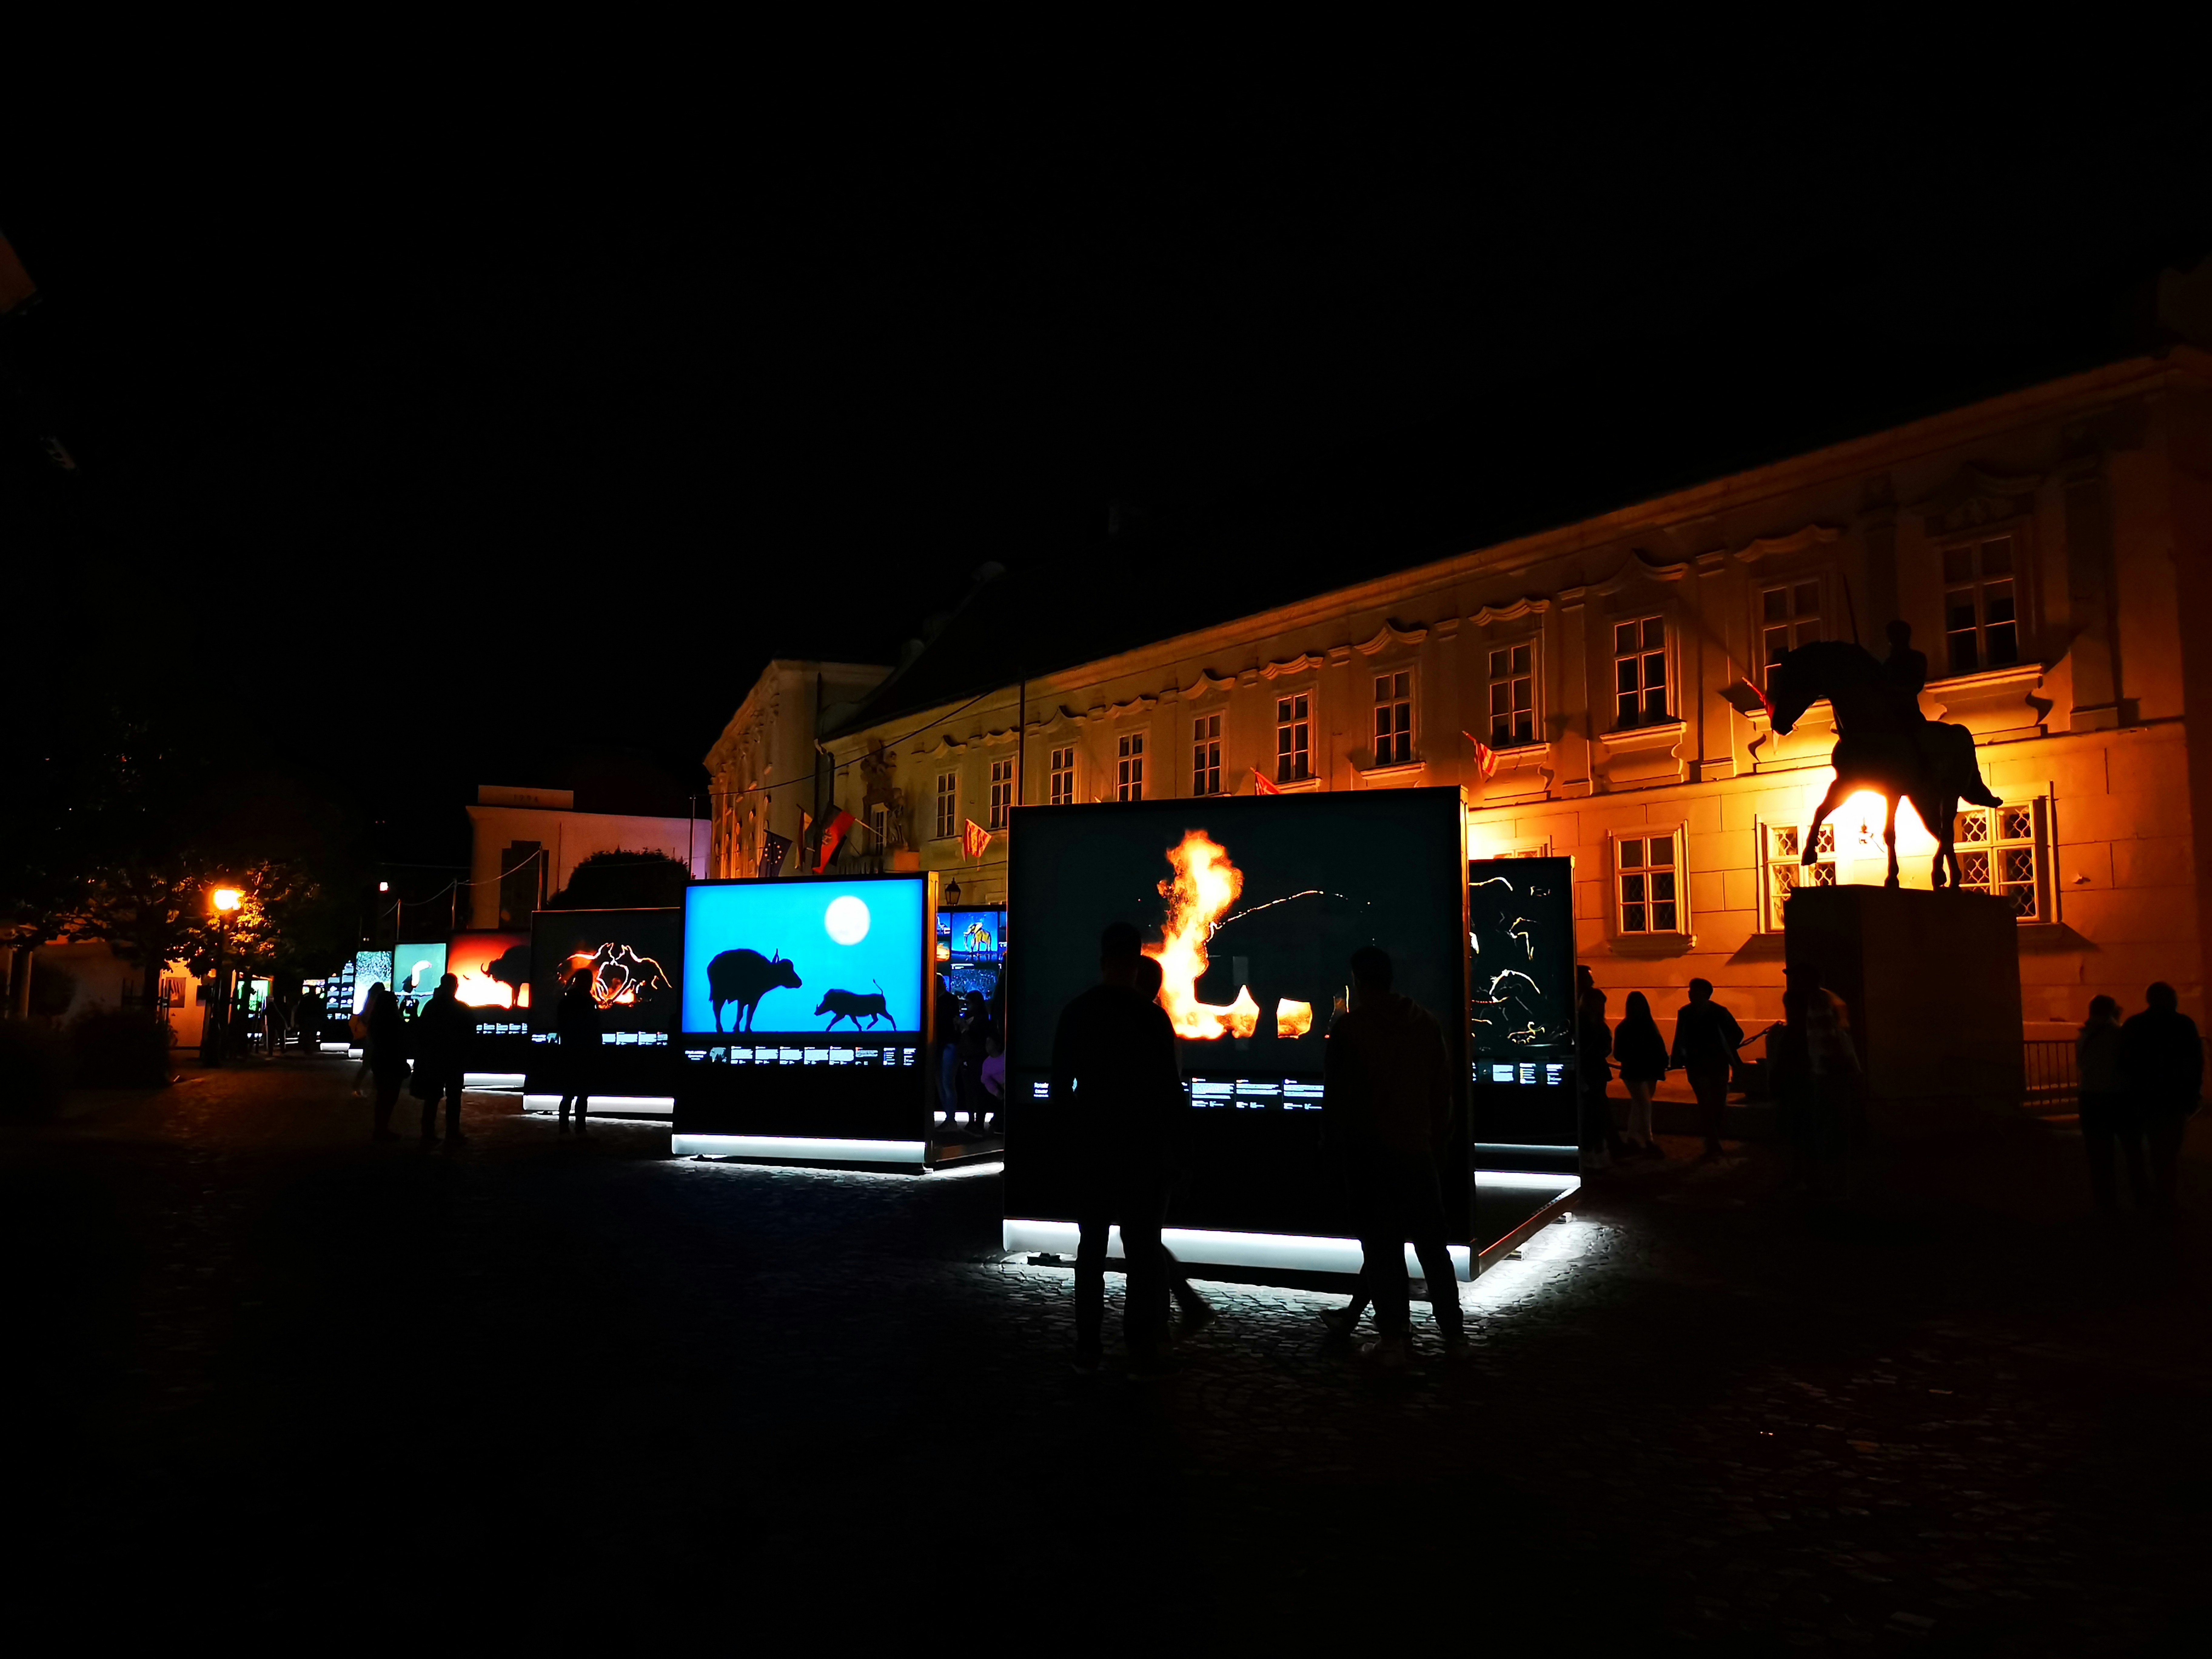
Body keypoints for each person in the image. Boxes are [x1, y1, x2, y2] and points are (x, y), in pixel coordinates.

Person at [1050, 921, 1184, 1377]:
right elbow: (1170, 1094)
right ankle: (1139, 1341)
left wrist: (1071, 1139)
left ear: (1104, 959)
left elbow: (1060, 1089)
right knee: (1142, 1250)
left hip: (1094, 1147)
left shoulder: (1078, 1012)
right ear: (1137, 962)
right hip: (1144, 1150)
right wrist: (1175, 1152)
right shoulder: (1153, 1019)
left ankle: (1088, 1345)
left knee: (1091, 1248)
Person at [1324, 945, 1464, 1367]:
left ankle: (1393, 1340)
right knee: (1433, 1249)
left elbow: (1338, 1101)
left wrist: (1334, 1152)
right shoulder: (1425, 1024)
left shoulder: (1351, 1029)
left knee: (1382, 1249)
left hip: (1369, 1156)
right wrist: (1438, 1145)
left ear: (1357, 980)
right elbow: (1442, 1093)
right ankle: (1455, 1336)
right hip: (1418, 1152)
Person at [1131, 952, 1216, 1336]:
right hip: (1159, 1145)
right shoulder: (1159, 1021)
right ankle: (1176, 1309)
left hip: (1146, 1145)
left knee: (1142, 1236)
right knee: (1144, 1234)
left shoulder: (1145, 1022)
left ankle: (1168, 1316)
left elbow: (1164, 1090)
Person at [2119, 981, 2201, 1225]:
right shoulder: (2184, 1025)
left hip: (2142, 1099)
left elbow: (2124, 1062)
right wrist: (2192, 1096)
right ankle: (2166, 1201)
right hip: (2173, 1100)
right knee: (2168, 1154)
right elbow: (2194, 1064)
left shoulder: (2134, 1025)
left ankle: (2144, 1200)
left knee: (2141, 1153)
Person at [1778, 965, 1860, 1198]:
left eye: (1796, 979)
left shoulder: (1816, 1000)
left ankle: (1830, 1185)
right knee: (1834, 1129)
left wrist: (1824, 1066)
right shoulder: (1831, 997)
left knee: (1825, 1128)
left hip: (1827, 1073)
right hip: (1837, 1071)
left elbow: (1827, 1036)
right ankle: (1838, 1183)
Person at [1671, 978, 1745, 1160]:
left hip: (1714, 1063)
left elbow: (1737, 1033)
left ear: (1704, 993)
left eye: (1693, 990)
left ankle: (1713, 1139)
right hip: (1701, 1064)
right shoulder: (1688, 1012)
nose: (1690, 993)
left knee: (1717, 1103)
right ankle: (1713, 1141)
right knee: (1707, 1103)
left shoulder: (1717, 1012)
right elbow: (1680, 1037)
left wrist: (1725, 1047)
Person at [411, 972, 473, 1147]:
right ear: (455, 987)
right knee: (454, 1098)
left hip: (435, 1060)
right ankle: (452, 1132)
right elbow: (470, 1036)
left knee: (432, 1098)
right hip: (455, 1061)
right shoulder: (462, 1009)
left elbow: (422, 1033)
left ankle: (428, 1133)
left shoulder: (431, 1007)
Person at [1613, 991, 1668, 1159]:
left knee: (1640, 1104)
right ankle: (1647, 1139)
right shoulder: (1648, 1026)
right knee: (1644, 1104)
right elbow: (1658, 1046)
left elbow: (1619, 1053)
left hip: (1640, 1070)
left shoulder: (1626, 1027)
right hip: (1643, 1070)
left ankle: (1633, 1137)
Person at [1575, 965, 1618, 1169]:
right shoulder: (1590, 1024)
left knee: (1594, 1114)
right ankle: (1594, 1152)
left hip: (1593, 1073)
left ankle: (1596, 1151)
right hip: (1591, 1073)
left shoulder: (1589, 1023)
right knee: (1593, 1115)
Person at [556, 968, 602, 1134]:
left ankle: (566, 1127)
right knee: (580, 1093)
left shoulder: (569, 1000)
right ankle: (577, 1127)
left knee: (571, 1093)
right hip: (581, 1052)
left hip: (573, 1051)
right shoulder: (587, 1002)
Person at [364, 983, 410, 1142]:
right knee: (389, 1098)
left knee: (382, 1097)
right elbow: (403, 1038)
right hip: (393, 1063)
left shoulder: (376, 1021)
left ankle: (380, 1129)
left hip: (380, 1062)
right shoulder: (395, 1022)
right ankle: (382, 1130)